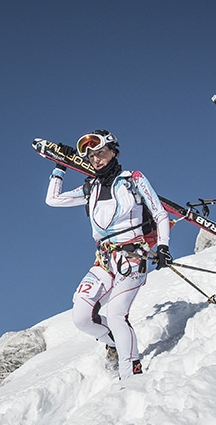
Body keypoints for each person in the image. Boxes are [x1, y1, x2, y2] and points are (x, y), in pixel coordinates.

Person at [45, 129, 172, 379]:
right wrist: (60, 166)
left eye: (101, 153)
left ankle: (131, 373)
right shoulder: (89, 188)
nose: (96, 159)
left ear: (113, 151)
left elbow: (160, 213)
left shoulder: (132, 179)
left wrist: (163, 246)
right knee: (81, 318)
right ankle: (113, 342)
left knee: (115, 314)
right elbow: (53, 199)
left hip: (132, 257)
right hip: (103, 260)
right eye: (91, 156)